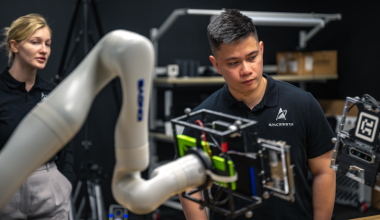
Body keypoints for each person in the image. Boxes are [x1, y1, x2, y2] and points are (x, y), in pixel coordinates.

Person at [180, 9, 336, 220]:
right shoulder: (201, 119)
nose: (246, 70)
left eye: (252, 57)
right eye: (233, 63)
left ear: (261, 50)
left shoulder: (303, 104)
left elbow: (324, 170)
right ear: (216, 64)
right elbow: (188, 184)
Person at [0, 14, 76, 219]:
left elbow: (66, 142)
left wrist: (66, 180)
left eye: (48, 44)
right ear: (14, 46)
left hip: (48, 184)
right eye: (35, 42)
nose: (44, 50)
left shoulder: (54, 93)